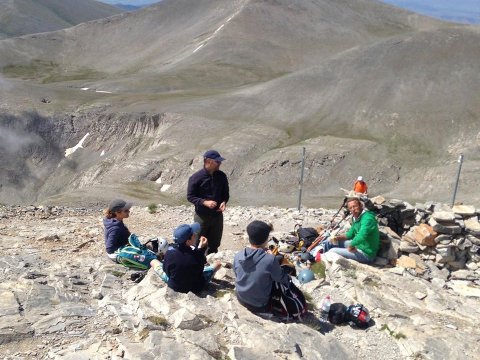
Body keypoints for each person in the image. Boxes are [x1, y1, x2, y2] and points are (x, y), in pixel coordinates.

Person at [234, 220, 291, 313]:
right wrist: (272, 258)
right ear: (266, 239)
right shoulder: (270, 260)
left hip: (240, 298)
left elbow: (237, 273)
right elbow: (281, 279)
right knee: (278, 278)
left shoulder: (238, 255)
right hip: (259, 305)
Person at [187, 150, 229, 254]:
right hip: (201, 216)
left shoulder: (222, 176)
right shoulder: (196, 178)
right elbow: (190, 196)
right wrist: (204, 202)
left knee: (214, 243)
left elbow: (226, 193)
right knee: (197, 242)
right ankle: (196, 265)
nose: (220, 163)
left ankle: (211, 263)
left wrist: (224, 202)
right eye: (217, 161)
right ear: (208, 161)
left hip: (217, 216)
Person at [161, 222, 221, 294]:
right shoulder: (197, 255)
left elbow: (165, 270)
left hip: (174, 286)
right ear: (188, 241)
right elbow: (200, 270)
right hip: (194, 289)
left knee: (154, 262)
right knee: (218, 264)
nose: (195, 235)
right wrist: (202, 248)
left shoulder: (169, 253)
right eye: (193, 235)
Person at [326, 198, 379, 264]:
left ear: (361, 206)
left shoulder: (368, 218)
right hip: (358, 246)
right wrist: (337, 238)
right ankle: (317, 260)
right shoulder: (356, 217)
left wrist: (351, 245)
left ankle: (326, 263)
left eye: (355, 206)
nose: (353, 209)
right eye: (350, 208)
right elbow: (350, 234)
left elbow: (362, 235)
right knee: (329, 242)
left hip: (366, 253)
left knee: (332, 251)